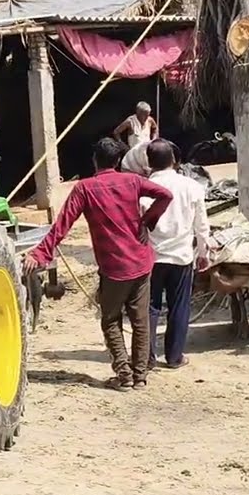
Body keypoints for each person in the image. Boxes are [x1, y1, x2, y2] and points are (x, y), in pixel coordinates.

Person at [24, 138, 174, 390]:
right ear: (117, 161)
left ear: (95, 160)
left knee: (110, 320)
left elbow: (62, 225)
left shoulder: (85, 188)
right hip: (141, 262)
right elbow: (165, 195)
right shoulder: (133, 181)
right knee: (140, 320)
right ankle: (140, 377)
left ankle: (124, 375)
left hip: (115, 268)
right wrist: (147, 220)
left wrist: (40, 253)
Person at [142, 139, 209, 370]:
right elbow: (202, 225)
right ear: (174, 160)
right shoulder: (191, 186)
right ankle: (174, 357)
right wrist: (203, 252)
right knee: (179, 306)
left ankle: (147, 358)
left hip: (151, 258)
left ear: (149, 163)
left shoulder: (142, 188)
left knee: (149, 308)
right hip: (181, 256)